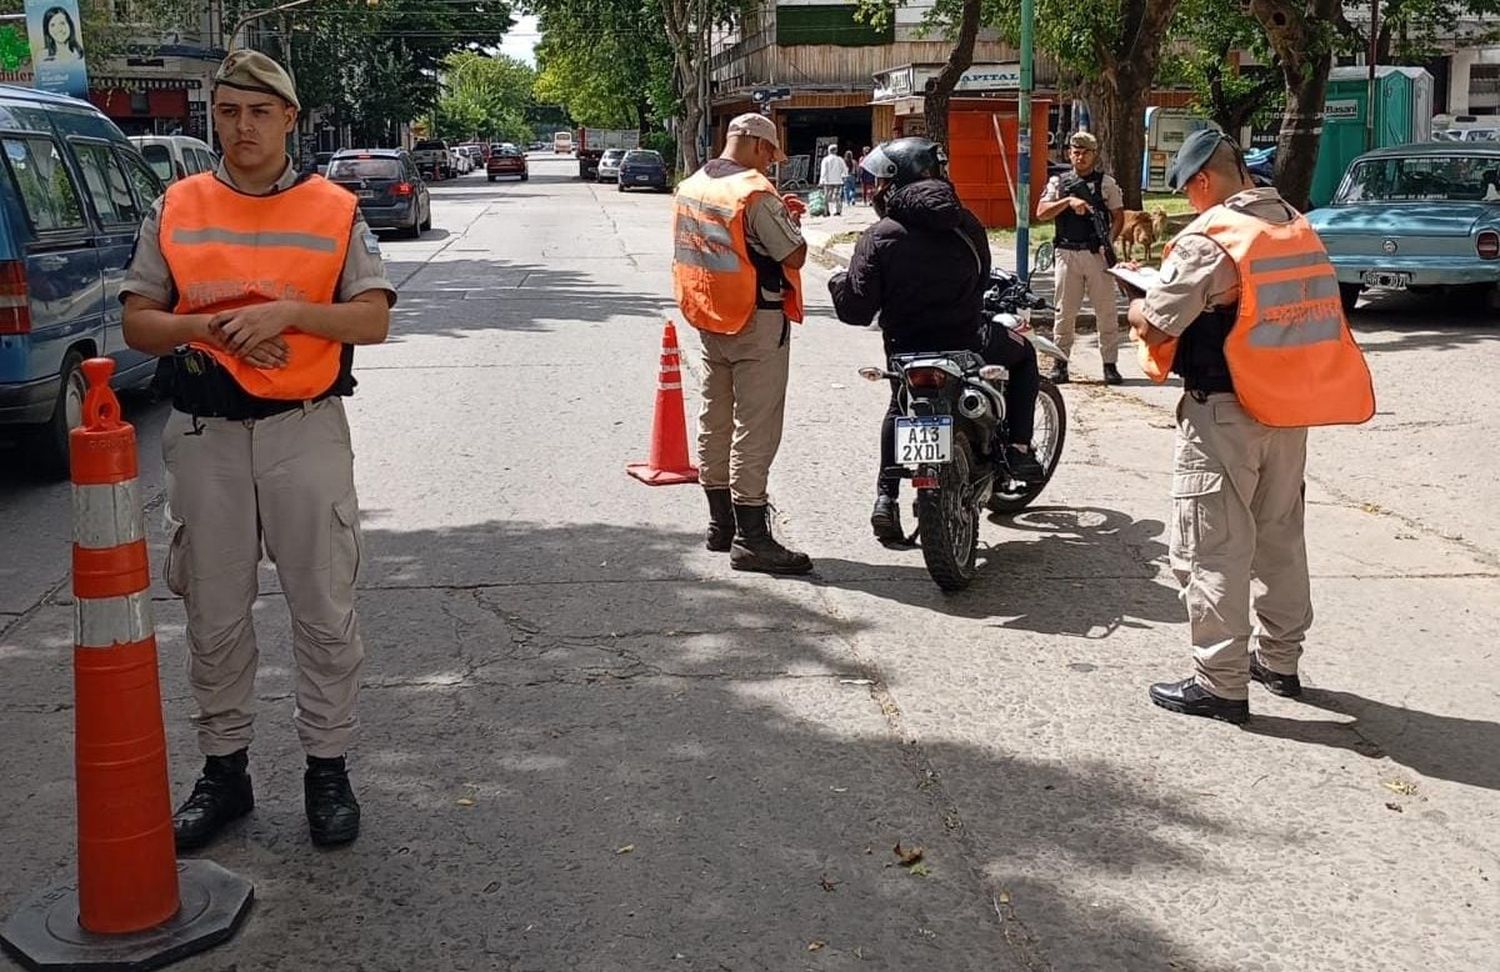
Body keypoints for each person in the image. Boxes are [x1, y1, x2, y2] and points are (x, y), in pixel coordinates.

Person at [120, 51, 395, 849]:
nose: (242, 126)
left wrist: (289, 315)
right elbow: (140, 321)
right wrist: (205, 327)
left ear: (289, 121)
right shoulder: (176, 204)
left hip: (302, 432)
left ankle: (328, 768)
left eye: (259, 112)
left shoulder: (334, 209)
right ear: (216, 115)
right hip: (205, 438)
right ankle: (225, 771)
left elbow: (373, 318)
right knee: (212, 613)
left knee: (324, 611)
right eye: (229, 110)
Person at [1127, 129, 1375, 724]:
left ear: (1203, 181)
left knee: (1213, 545)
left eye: (1188, 190)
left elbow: (1159, 326)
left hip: (1225, 414)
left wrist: (1137, 300)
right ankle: (1280, 661)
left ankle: (1219, 682)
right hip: (1289, 409)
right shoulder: (1295, 224)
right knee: (1281, 538)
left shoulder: (1213, 238)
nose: (1189, 201)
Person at [828, 138, 1047, 542]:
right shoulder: (966, 225)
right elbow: (982, 283)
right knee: (1025, 355)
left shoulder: (879, 235)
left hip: (905, 352)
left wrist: (838, 282)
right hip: (968, 342)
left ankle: (886, 499)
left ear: (897, 182)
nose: (876, 189)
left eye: (880, 181)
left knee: (899, 407)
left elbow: (856, 310)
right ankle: (1018, 448)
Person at [672, 113, 812, 575]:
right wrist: (789, 222)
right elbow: (794, 254)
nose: (772, 164)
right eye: (770, 153)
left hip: (710, 316)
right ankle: (752, 537)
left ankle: (721, 526)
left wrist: (777, 218)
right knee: (756, 424)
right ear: (754, 143)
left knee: (715, 416)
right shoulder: (752, 191)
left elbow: (730, 244)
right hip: (756, 319)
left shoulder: (693, 184)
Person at [1035, 131, 1124, 385]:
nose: (1080, 156)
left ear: (1094, 155)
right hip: (1067, 253)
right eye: (1076, 151)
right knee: (1065, 312)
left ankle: (1110, 365)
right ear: (1069, 153)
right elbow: (1041, 212)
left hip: (1096, 253)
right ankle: (1060, 363)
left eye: (1085, 152)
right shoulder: (1058, 183)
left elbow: (1118, 216)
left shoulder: (1105, 183)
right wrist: (1068, 201)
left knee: (1106, 311)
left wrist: (1109, 240)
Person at [818, 144, 848, 216]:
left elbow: (823, 171)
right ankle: (837, 211)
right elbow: (844, 169)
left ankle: (826, 211)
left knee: (826, 196)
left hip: (828, 181)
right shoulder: (840, 159)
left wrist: (821, 181)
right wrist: (844, 177)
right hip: (838, 181)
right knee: (837, 196)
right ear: (836, 151)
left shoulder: (825, 160)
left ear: (829, 151)